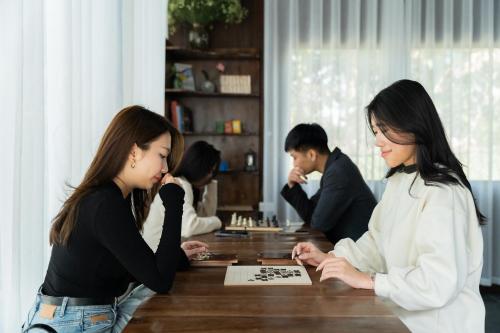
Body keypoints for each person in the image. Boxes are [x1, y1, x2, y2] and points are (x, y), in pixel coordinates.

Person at [292, 80, 486, 333]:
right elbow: (376, 243)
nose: (378, 141)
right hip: (400, 313)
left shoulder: (444, 191)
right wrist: (330, 257)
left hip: (436, 324)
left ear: (414, 124)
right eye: (375, 131)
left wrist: (368, 280)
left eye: (384, 129)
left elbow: (438, 282)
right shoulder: (399, 180)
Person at [22, 106, 208, 333]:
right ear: (134, 151)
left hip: (72, 316)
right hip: (73, 323)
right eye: (162, 155)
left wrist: (176, 256)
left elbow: (137, 268)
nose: (165, 168)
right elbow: (160, 282)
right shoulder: (104, 204)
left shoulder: (106, 198)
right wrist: (174, 201)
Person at [281, 123, 377, 244]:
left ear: (311, 154)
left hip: (361, 254)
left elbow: (318, 224)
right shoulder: (334, 167)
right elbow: (311, 215)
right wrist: (292, 185)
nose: (294, 164)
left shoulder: (338, 172)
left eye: (294, 157)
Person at [143, 141, 222, 249]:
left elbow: (206, 215)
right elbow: (190, 227)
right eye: (210, 170)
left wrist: (211, 182)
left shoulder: (187, 184)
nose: (210, 175)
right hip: (153, 252)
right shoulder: (181, 184)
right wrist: (217, 221)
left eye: (213, 172)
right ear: (198, 165)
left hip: (162, 251)